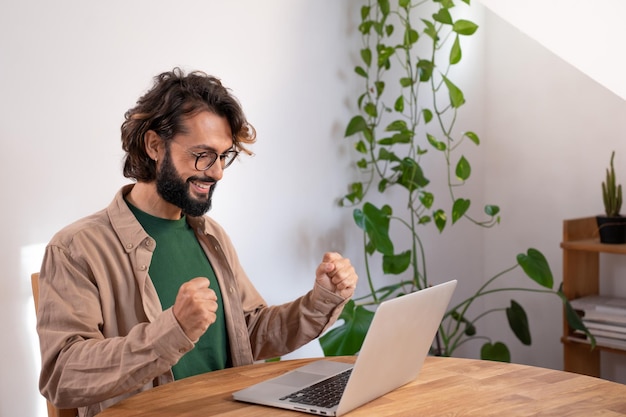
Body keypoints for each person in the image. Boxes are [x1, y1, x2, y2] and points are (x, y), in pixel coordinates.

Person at [35, 68, 358, 417]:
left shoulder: (211, 235)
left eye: (223, 157)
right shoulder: (76, 248)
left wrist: (322, 299)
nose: (217, 172)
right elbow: (63, 375)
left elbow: (249, 332)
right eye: (202, 155)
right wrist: (173, 329)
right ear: (155, 146)